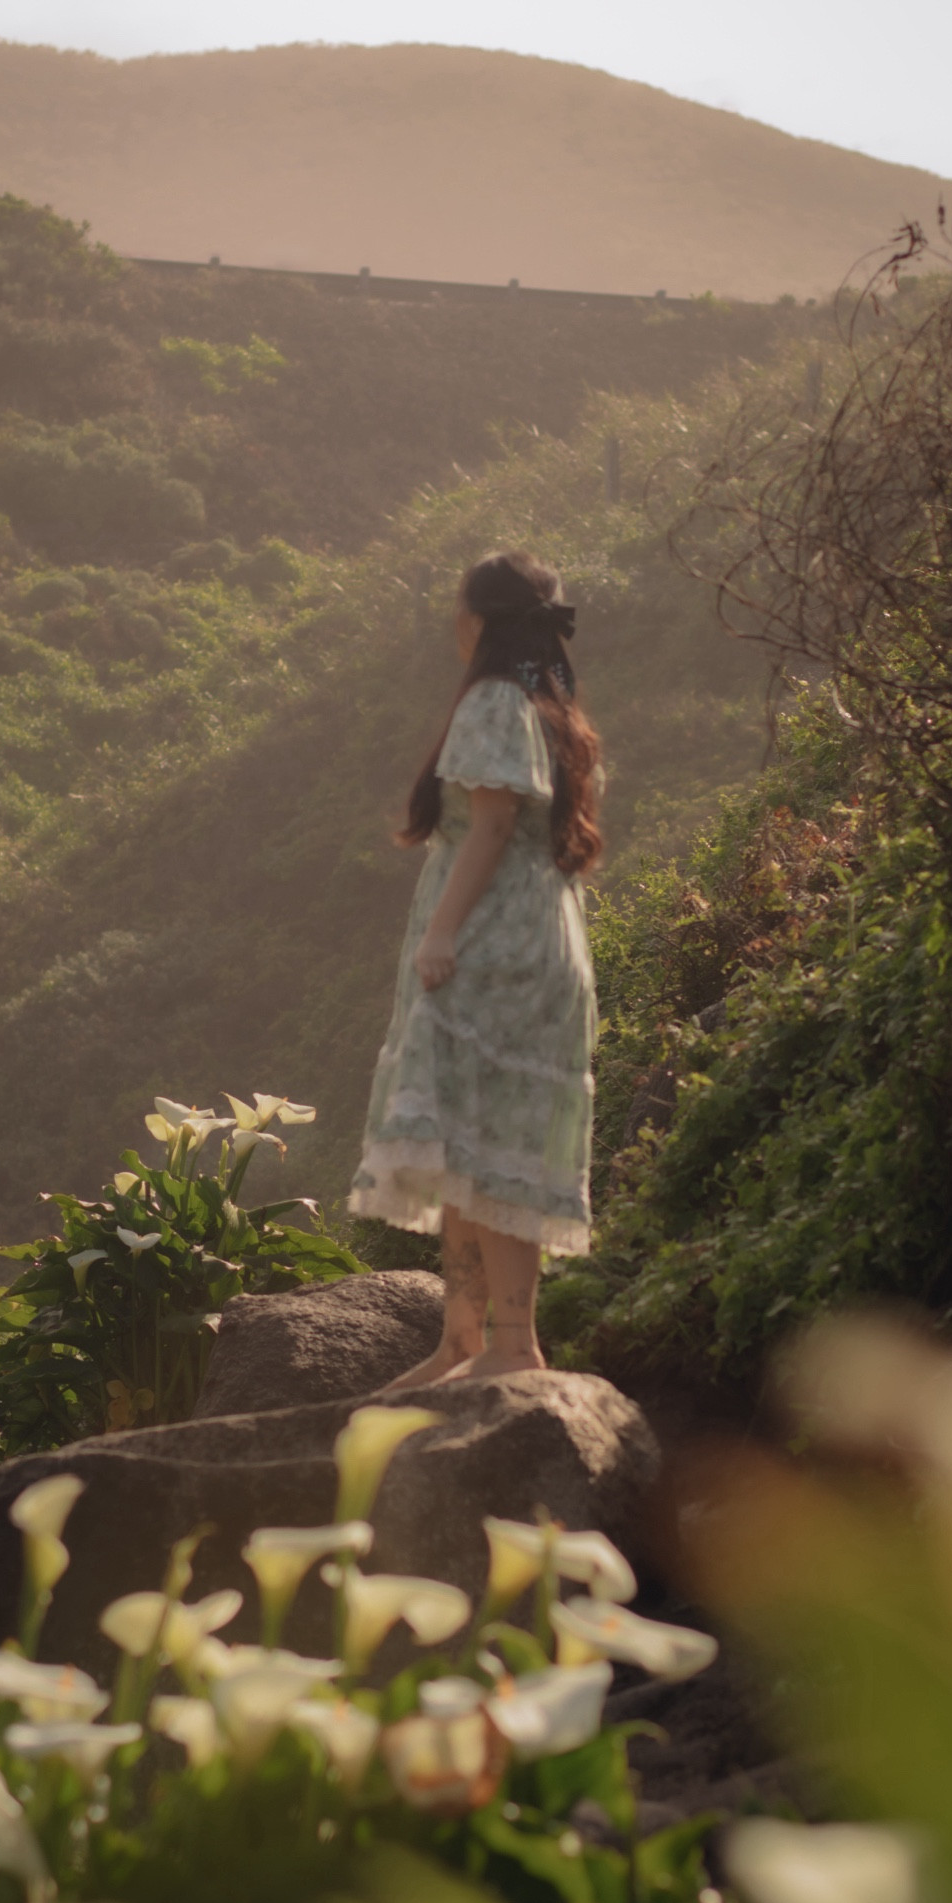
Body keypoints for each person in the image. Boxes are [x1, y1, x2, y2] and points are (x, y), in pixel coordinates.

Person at [347, 549, 603, 1386]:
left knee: (492, 1141)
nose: (451, 624)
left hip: (496, 942)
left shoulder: (495, 701)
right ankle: (462, 1339)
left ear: (482, 622)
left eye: (460, 610)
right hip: (533, 937)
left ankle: (511, 1344)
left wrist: (442, 934)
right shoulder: (551, 708)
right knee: (470, 1140)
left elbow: (490, 827)